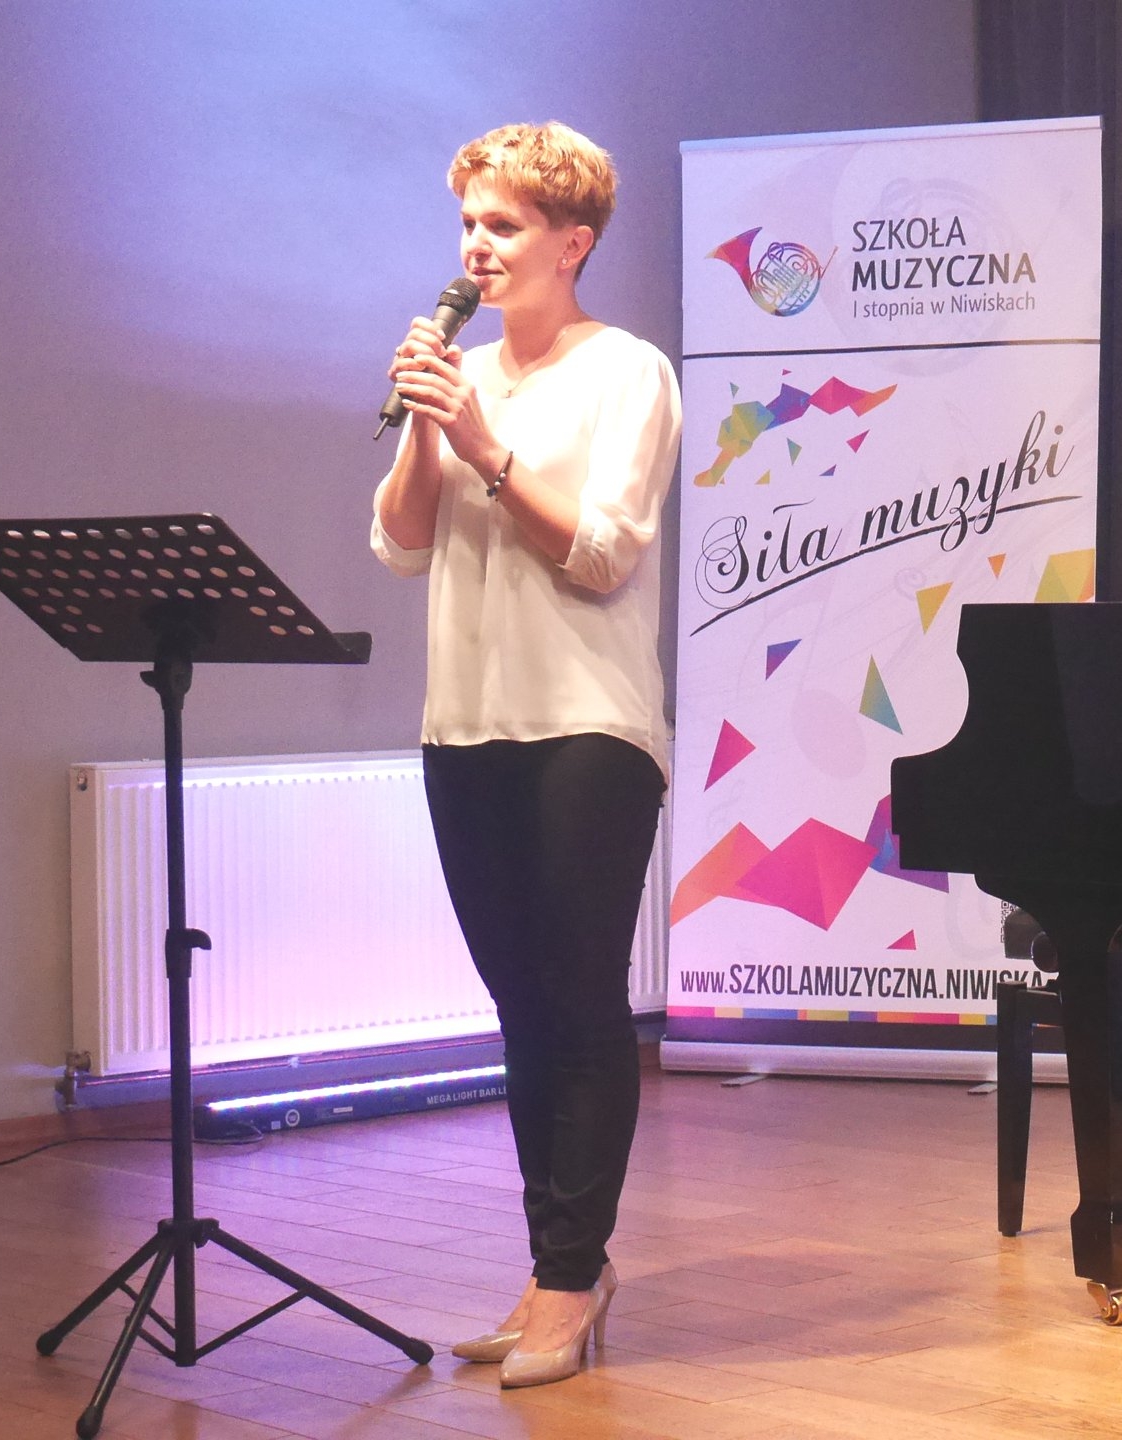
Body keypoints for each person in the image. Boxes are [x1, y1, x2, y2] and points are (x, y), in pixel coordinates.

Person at [371, 120, 680, 1390]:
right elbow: (402, 545)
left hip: (588, 727)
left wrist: (488, 450)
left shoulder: (628, 372)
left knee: (579, 996)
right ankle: (557, 1264)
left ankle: (570, 1274)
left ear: (573, 242)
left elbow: (602, 556)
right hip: (467, 725)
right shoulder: (461, 376)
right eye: (467, 224)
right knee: (519, 1007)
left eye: (502, 225)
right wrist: (430, 424)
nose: (476, 247)